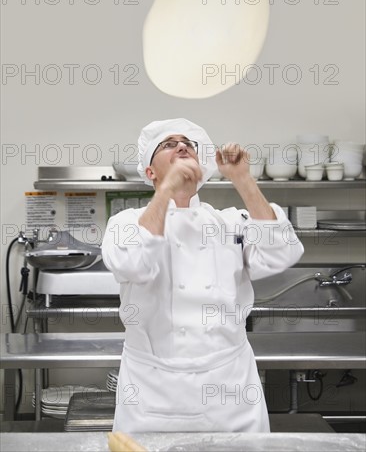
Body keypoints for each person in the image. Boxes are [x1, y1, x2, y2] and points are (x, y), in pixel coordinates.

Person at [102, 118, 304, 433]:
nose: (182, 146)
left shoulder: (228, 223)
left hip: (230, 392)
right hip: (153, 393)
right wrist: (167, 191)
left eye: (188, 144)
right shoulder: (125, 223)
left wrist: (242, 178)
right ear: (150, 172)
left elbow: (282, 252)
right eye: (168, 144)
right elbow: (133, 263)